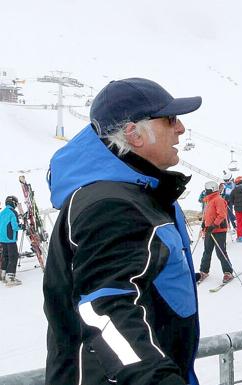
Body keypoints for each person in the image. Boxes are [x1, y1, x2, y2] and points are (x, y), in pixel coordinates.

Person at [44, 78, 202, 385]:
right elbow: (105, 308)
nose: (180, 128)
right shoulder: (110, 204)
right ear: (134, 134)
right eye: (170, 119)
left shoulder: (140, 193)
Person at [197, 180, 233, 284]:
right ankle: (204, 271)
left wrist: (213, 225)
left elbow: (221, 215)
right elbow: (208, 215)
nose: (205, 191)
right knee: (207, 251)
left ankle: (228, 272)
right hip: (209, 230)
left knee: (220, 252)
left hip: (219, 230)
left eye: (207, 189)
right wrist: (204, 223)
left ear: (212, 189)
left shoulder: (218, 199)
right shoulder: (209, 200)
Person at [0, 196, 22, 287]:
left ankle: (3, 274)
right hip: (10, 239)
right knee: (13, 256)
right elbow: (15, 226)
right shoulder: (13, 212)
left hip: (2, 239)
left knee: (6, 256)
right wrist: (21, 226)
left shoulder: (2, 212)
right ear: (13, 203)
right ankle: (10, 278)